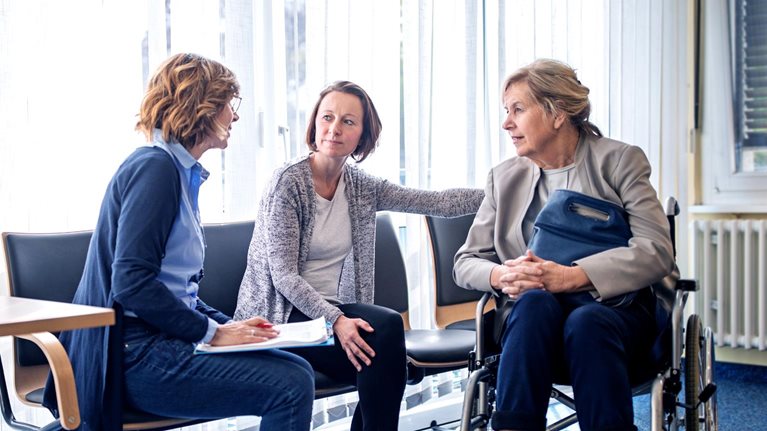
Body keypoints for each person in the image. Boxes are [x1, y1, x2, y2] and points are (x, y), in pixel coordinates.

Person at [42, 53, 314, 431]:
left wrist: (231, 327)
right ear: (200, 107)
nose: (233, 116)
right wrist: (214, 333)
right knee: (290, 385)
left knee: (294, 367)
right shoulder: (155, 170)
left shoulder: (175, 173)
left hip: (155, 343)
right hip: (135, 355)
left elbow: (172, 288)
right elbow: (133, 284)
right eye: (227, 105)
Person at [234, 80, 484, 430]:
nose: (334, 129)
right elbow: (283, 276)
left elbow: (436, 201)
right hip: (283, 320)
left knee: (385, 335)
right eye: (327, 117)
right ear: (314, 123)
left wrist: (503, 191)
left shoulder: (361, 186)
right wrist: (335, 320)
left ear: (363, 135)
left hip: (333, 314)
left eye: (348, 121)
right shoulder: (288, 183)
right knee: (384, 351)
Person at [453, 59, 676, 431]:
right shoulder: (503, 178)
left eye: (518, 110)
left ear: (557, 113)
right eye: (506, 112)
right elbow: (466, 261)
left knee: (587, 319)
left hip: (614, 315)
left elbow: (656, 251)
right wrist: (503, 274)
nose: (507, 123)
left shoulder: (619, 161)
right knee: (536, 302)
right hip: (531, 324)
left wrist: (572, 277)